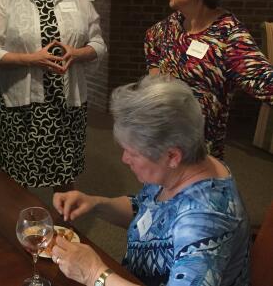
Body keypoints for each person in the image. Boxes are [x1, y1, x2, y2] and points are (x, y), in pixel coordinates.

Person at [51, 75, 250, 286]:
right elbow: (147, 210)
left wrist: (94, 274)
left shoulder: (203, 223)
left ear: (172, 156)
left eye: (133, 153)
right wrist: (97, 204)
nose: (124, 159)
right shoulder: (188, 162)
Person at [0, 0, 106, 191]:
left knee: (65, 174)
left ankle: (63, 228)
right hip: (23, 106)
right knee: (19, 177)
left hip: (68, 102)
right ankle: (22, 227)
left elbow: (98, 44)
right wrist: (30, 59)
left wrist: (78, 53)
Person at [144, 0, 273, 159]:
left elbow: (267, 84)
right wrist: (157, 88)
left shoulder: (229, 37)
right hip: (161, 144)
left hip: (198, 156)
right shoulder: (170, 25)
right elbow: (152, 45)